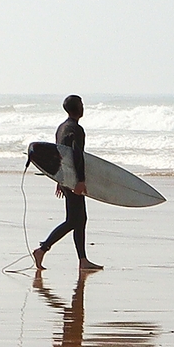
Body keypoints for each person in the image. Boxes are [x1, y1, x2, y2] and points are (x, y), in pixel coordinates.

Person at [30, 94, 103, 271]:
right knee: (73, 220)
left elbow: (59, 155)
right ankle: (42, 249)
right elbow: (76, 155)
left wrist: (58, 179)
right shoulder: (76, 130)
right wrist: (80, 181)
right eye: (81, 104)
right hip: (73, 180)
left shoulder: (62, 128)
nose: (83, 107)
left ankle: (83, 260)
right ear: (77, 108)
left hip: (66, 178)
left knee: (79, 219)